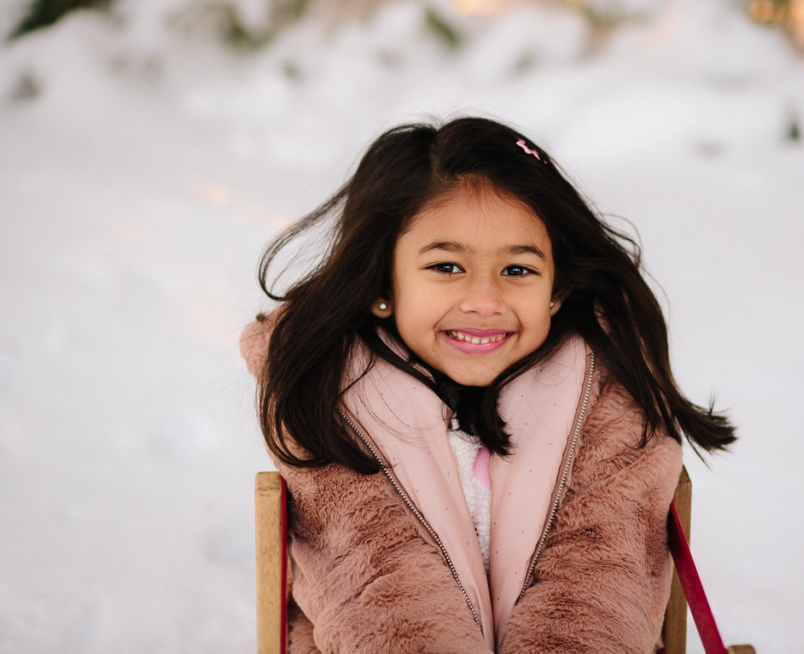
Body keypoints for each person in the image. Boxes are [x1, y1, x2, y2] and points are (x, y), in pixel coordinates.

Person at [241, 117, 735, 653]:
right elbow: (374, 580)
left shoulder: (607, 392)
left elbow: (600, 576)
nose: (484, 301)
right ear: (383, 282)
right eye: (447, 266)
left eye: (518, 271)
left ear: (556, 288)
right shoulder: (329, 393)